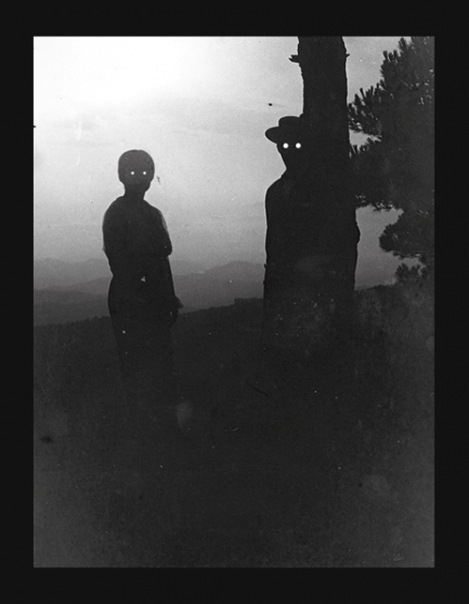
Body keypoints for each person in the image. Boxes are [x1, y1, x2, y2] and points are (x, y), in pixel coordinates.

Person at [261, 116, 359, 386]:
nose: (289, 151)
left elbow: (346, 235)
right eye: (284, 145)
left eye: (295, 144)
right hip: (283, 290)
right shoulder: (274, 192)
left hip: (315, 291)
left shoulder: (324, 190)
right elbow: (272, 244)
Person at [102, 149, 184, 432]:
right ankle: (146, 429)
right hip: (133, 299)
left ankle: (161, 428)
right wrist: (157, 295)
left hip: (150, 297)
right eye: (134, 172)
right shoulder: (117, 213)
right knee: (138, 363)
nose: (140, 178)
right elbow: (120, 263)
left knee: (158, 363)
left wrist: (169, 296)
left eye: (144, 173)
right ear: (122, 176)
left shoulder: (150, 214)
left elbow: (162, 261)